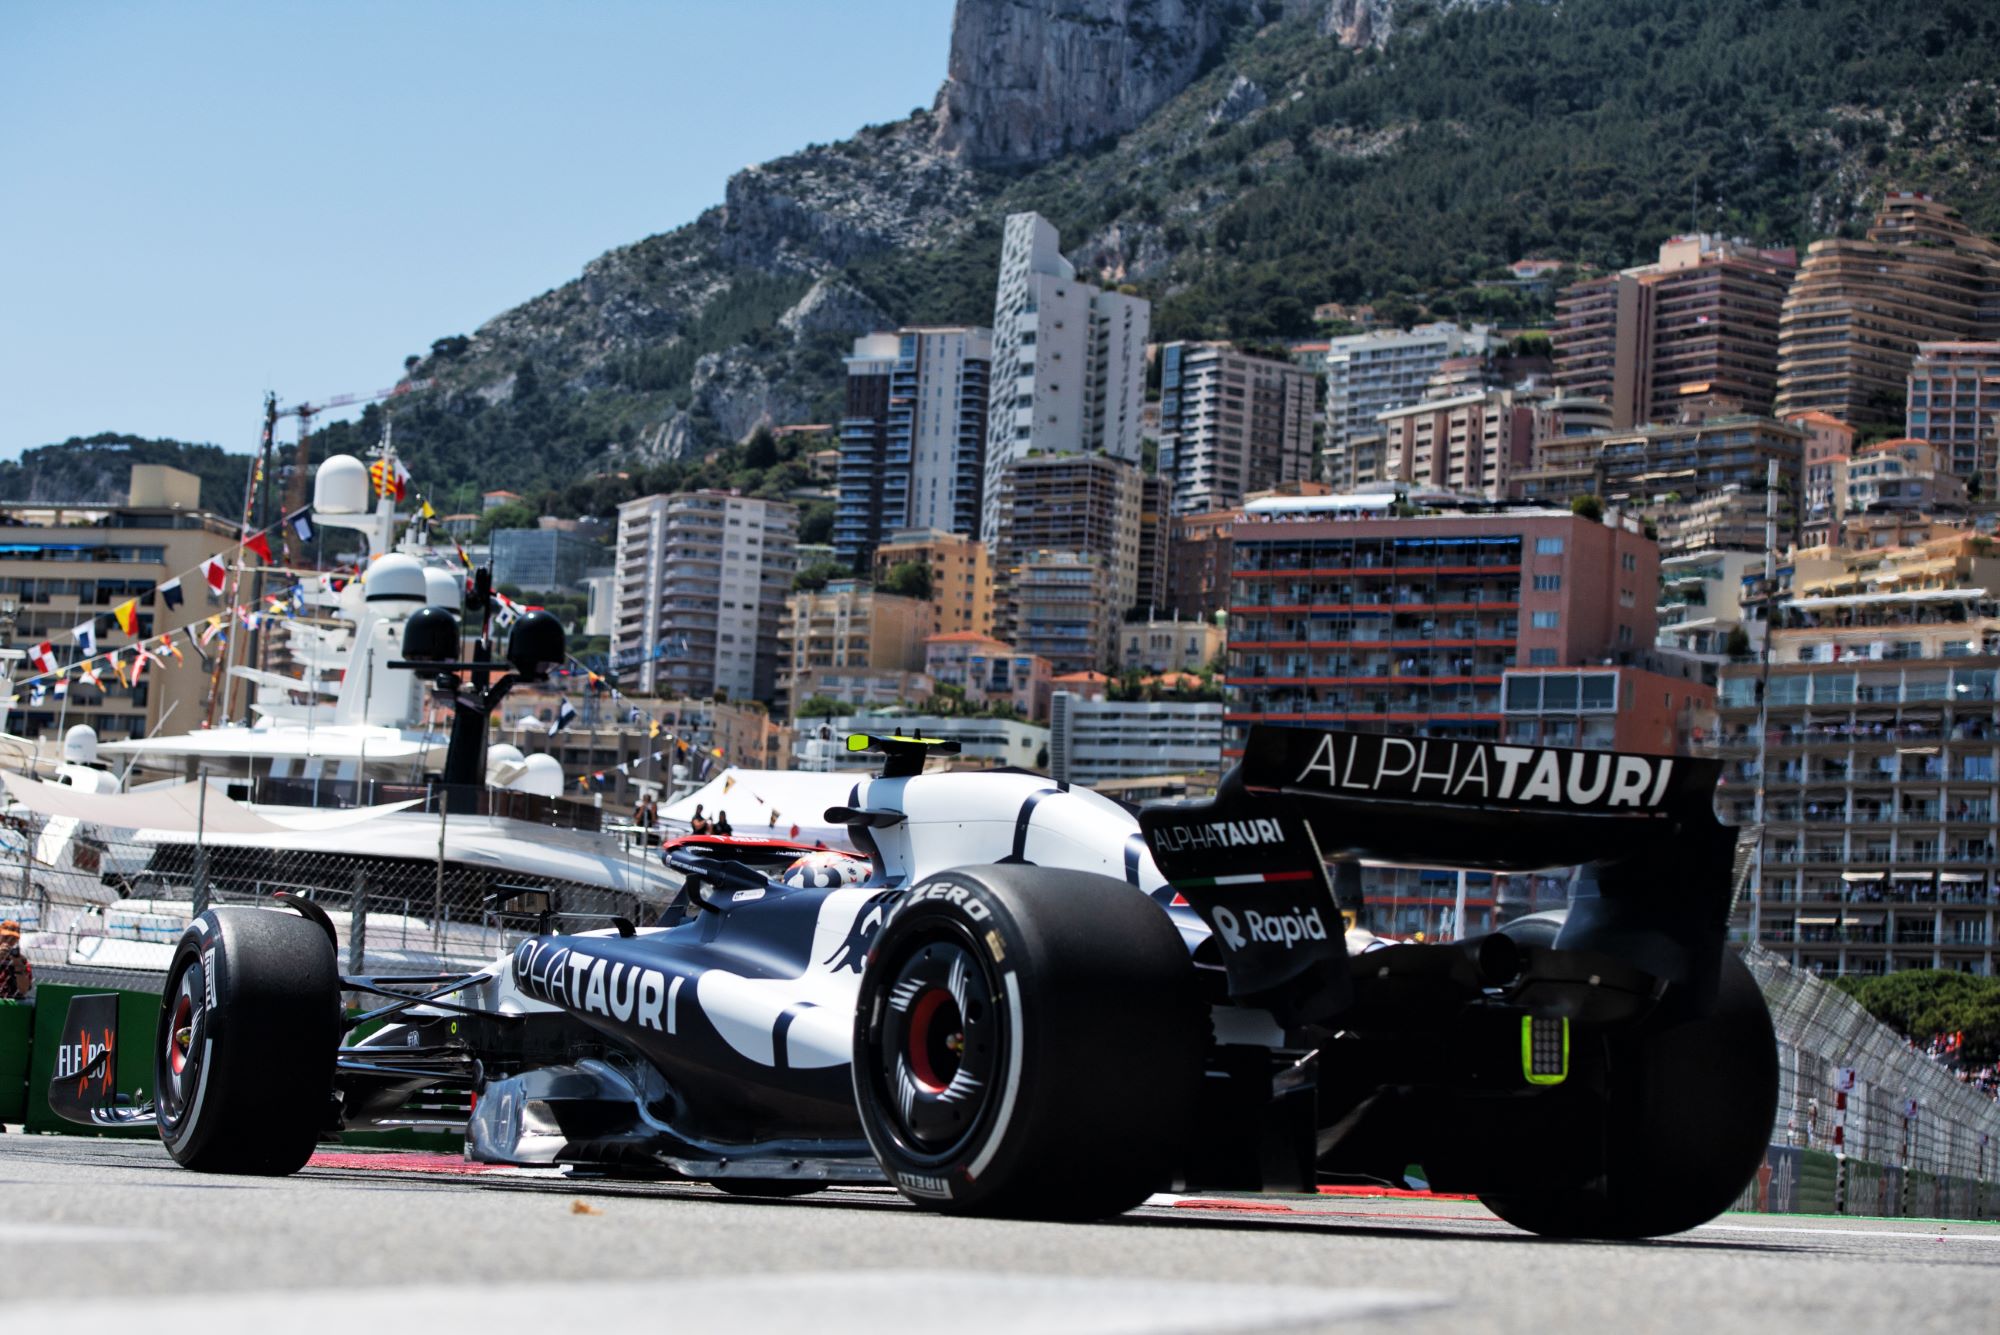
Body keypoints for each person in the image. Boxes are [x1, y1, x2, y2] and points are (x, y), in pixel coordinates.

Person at [0, 920, 31, 1001]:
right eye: (6, 937)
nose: (9, 941)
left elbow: (23, 990)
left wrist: (18, 966)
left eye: (14, 939)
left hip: (12, 1001)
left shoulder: (21, 959)